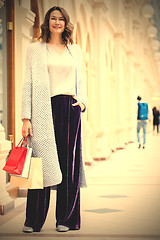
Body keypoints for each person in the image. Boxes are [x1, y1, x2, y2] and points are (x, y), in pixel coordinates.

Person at [21, 6, 87, 233]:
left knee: (68, 166)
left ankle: (65, 219)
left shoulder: (74, 50)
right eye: (53, 18)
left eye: (61, 19)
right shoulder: (34, 49)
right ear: (47, 22)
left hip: (70, 109)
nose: (57, 22)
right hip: (43, 108)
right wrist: (26, 118)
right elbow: (27, 84)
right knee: (41, 165)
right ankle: (33, 220)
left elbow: (82, 81)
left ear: (65, 23)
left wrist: (83, 102)